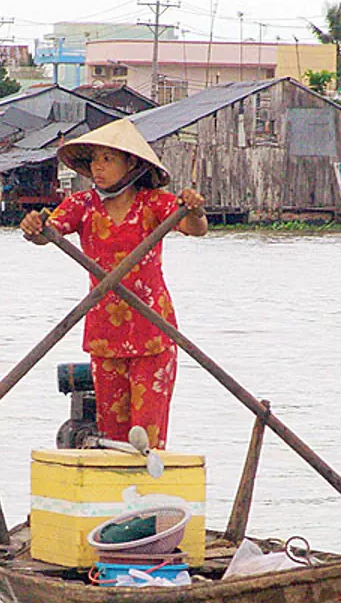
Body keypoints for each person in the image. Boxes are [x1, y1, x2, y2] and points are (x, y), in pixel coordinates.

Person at [20, 119, 207, 450]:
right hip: (105, 333)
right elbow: (47, 233)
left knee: (147, 437)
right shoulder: (83, 205)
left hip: (152, 331)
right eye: (94, 160)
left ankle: (149, 492)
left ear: (130, 163)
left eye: (108, 159)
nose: (98, 168)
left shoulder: (153, 203)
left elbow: (196, 228)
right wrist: (35, 226)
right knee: (114, 438)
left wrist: (194, 208)